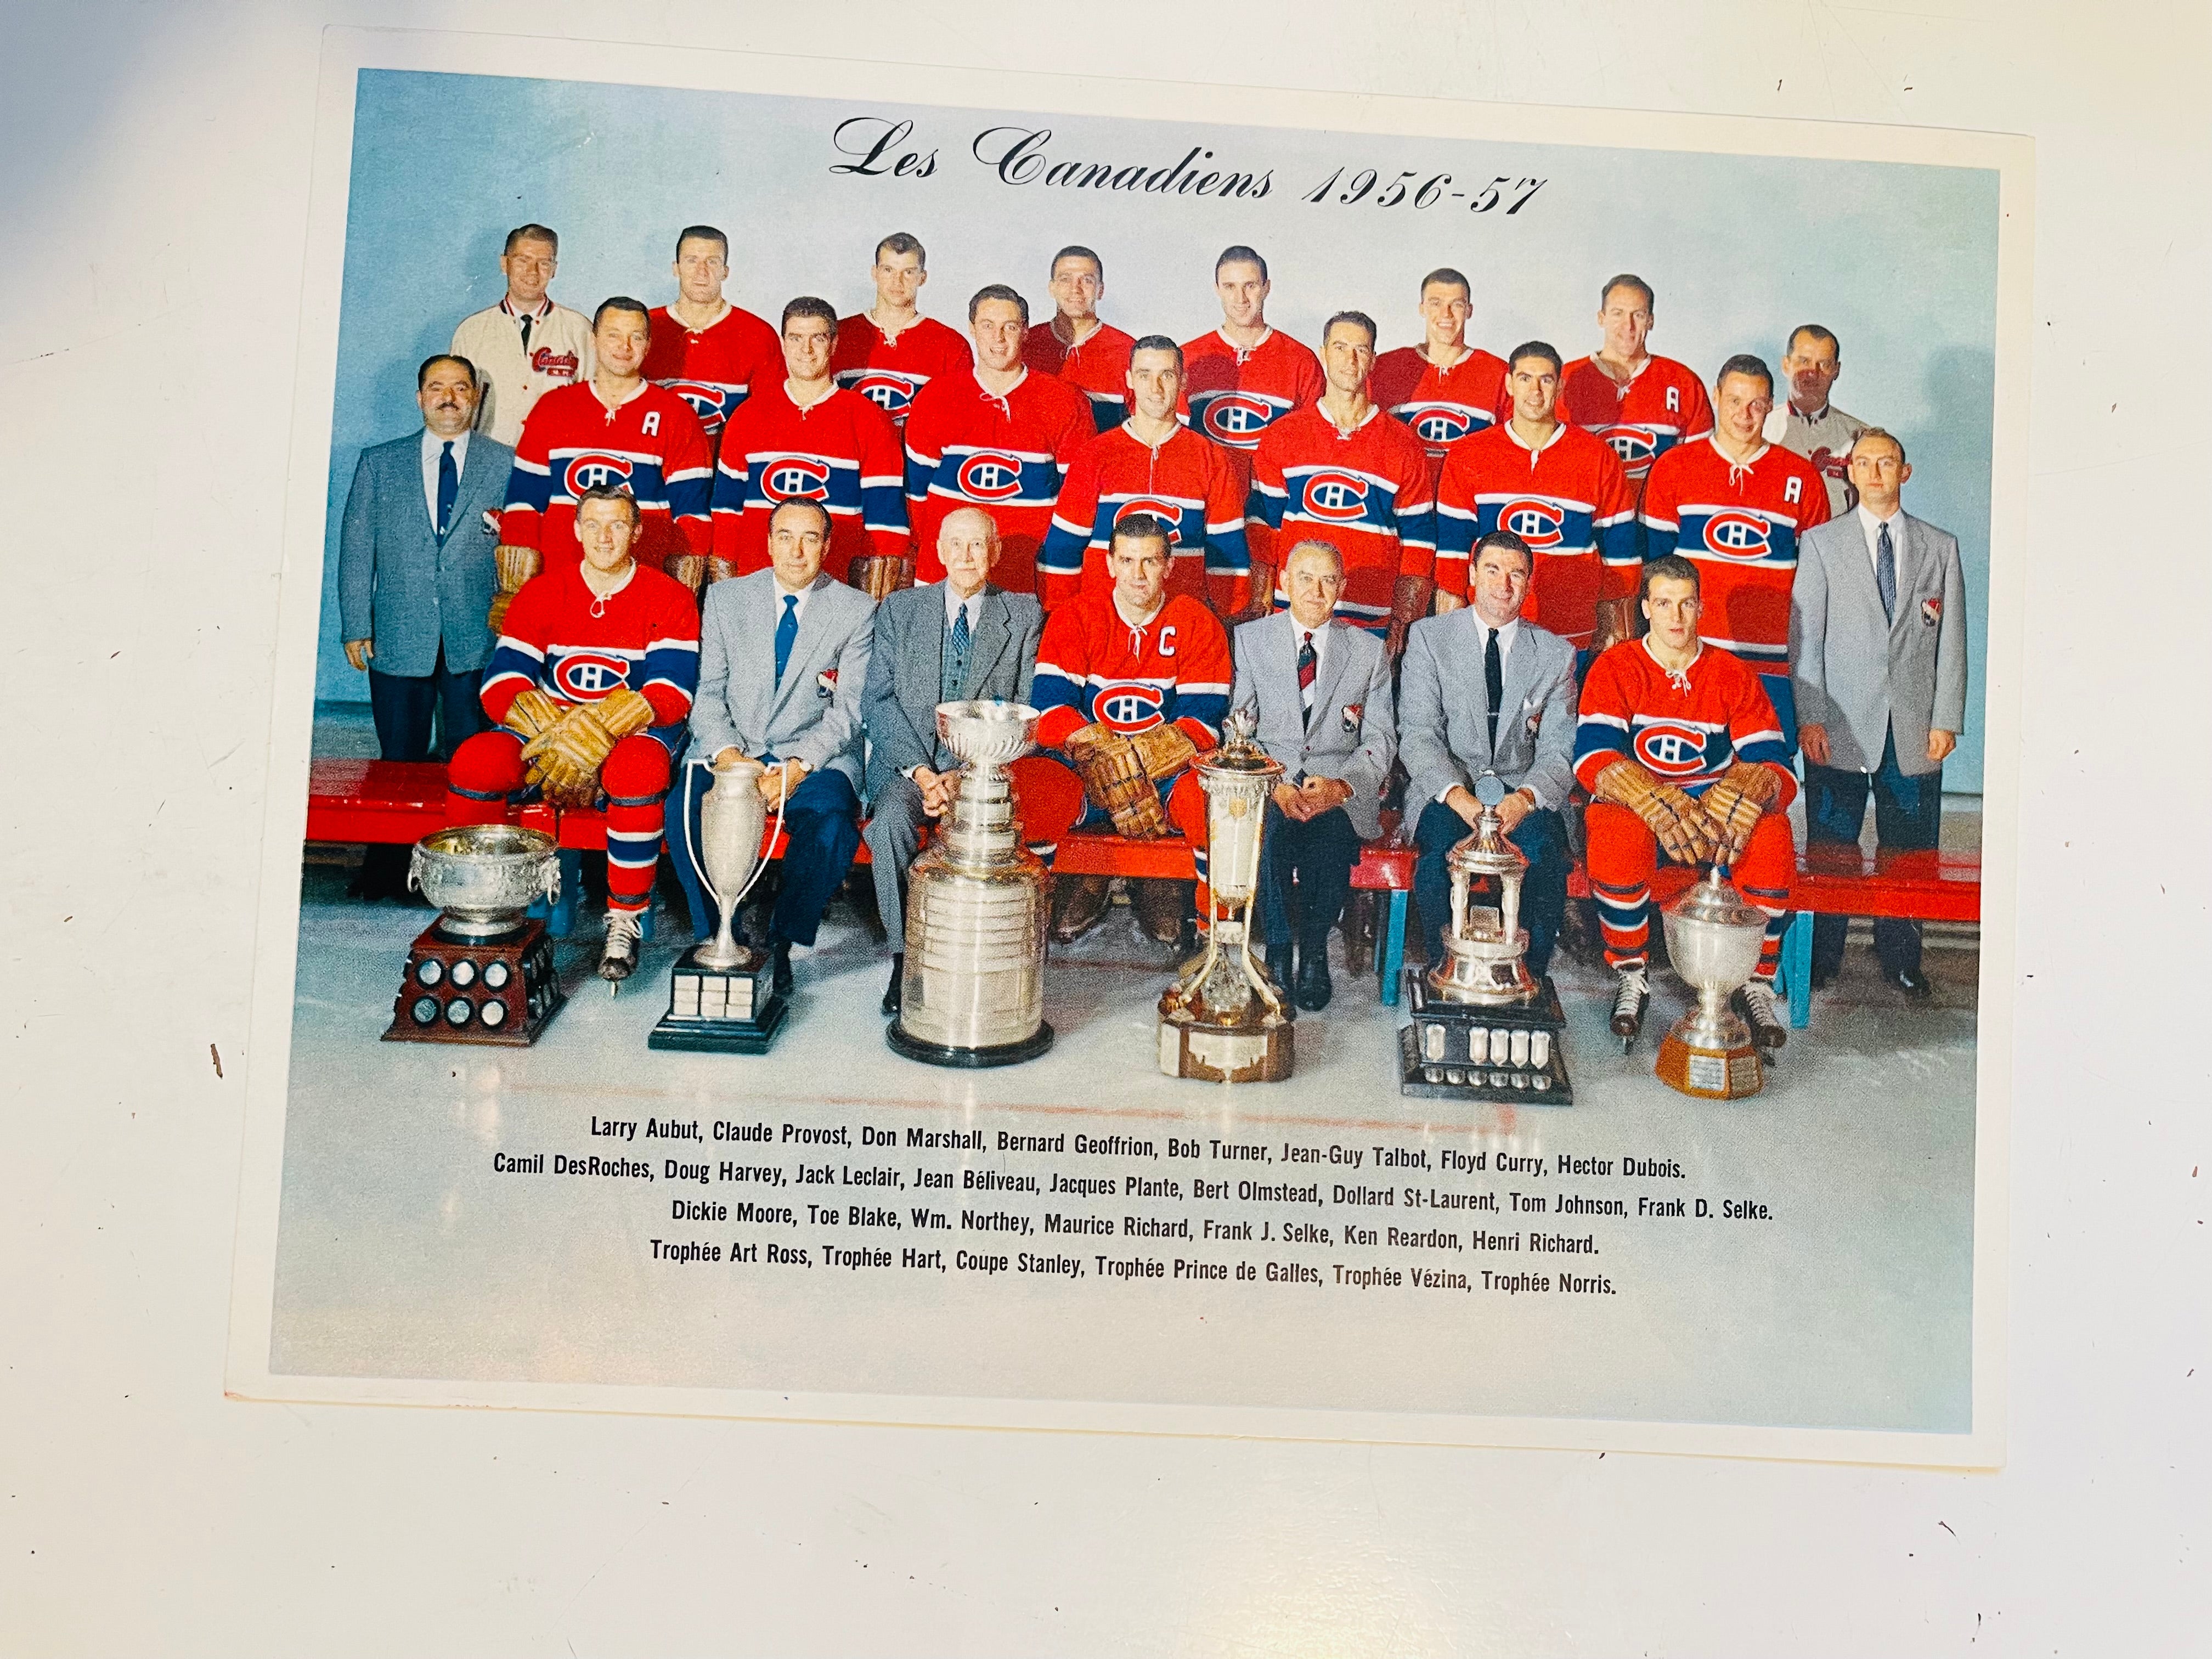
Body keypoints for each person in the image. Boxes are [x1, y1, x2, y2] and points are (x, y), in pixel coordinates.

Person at [445, 486, 699, 983]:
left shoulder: (669, 595)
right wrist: (562, 736)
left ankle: (625, 920)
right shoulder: (542, 591)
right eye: (594, 525)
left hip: (628, 736)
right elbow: (502, 681)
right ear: (577, 529)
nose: (605, 537)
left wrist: (597, 730)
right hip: (547, 732)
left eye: (619, 525)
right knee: (477, 761)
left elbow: (672, 692)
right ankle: (475, 907)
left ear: (637, 531)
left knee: (639, 768)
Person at [1573, 556, 1795, 1053]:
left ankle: (1756, 980)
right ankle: (1632, 971)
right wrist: (1647, 795)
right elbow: (1593, 757)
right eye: (1664, 603)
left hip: (1712, 813)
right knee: (1611, 827)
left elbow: (1775, 762)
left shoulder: (1731, 673)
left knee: (1772, 832)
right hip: (1647, 813)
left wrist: (1751, 786)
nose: (1676, 616)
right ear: (1646, 608)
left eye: (1687, 604)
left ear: (1701, 609)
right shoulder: (1616, 666)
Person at [859, 507, 1065, 1014]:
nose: (967, 556)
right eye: (957, 545)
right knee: (887, 825)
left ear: (995, 553)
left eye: (979, 546)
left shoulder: (1023, 614)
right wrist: (924, 774)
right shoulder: (900, 611)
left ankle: (976, 956)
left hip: (987, 773)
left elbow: (1025, 711)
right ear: (939, 551)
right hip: (912, 769)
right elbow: (877, 701)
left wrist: (965, 773)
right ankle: (906, 957)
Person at [1792, 428, 1968, 999]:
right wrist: (1810, 717)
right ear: (1847, 472)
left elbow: (1951, 642)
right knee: (1832, 846)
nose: (1874, 473)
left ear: (1904, 473)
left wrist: (1947, 718)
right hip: (1840, 723)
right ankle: (1823, 958)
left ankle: (1902, 959)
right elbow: (1806, 640)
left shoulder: (1940, 547)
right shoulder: (1821, 544)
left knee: (1910, 850)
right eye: (1863, 463)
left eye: (1885, 463)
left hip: (1913, 725)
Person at [679, 500, 876, 996]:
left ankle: (781, 940)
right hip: (734, 748)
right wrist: (728, 757)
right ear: (768, 543)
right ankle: (722, 932)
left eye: (810, 538)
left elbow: (849, 710)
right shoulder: (725, 599)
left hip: (814, 753)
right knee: (680, 813)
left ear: (827, 546)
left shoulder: (856, 609)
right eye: (785, 536)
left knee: (832, 826)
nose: (797, 549)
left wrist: (796, 767)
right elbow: (707, 693)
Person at [337, 354, 512, 897]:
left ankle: (461, 870)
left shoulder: (505, 464)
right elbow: (355, 549)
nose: (449, 397)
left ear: (476, 397)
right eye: (437, 387)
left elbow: (519, 547)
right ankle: (389, 866)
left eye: (460, 388)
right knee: (400, 757)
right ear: (419, 398)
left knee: (468, 759)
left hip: (475, 639)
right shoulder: (379, 463)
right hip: (398, 634)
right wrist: (354, 623)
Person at [1030, 515, 1231, 945]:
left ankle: (1208, 937)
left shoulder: (1196, 620)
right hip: (1087, 775)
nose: (1138, 574)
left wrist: (1135, 763)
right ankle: (1027, 929)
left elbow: (1205, 725)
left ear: (1169, 566)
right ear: (1110, 563)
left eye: (1150, 562)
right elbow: (1048, 712)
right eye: (1128, 560)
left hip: (1165, 781)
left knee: (1213, 803)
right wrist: (1104, 753)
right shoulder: (1076, 616)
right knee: (1033, 790)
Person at [1398, 531, 1577, 981]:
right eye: (1493, 570)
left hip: (1521, 791)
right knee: (1440, 854)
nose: (1504, 584)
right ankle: (1448, 972)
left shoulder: (1557, 655)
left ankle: (1526, 976)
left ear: (1529, 583)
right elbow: (1418, 734)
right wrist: (1460, 799)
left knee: (1546, 854)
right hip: (1451, 791)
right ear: (1472, 575)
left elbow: (1560, 748)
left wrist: (1526, 799)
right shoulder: (1429, 638)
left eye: (1517, 574)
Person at [1228, 539, 1397, 1009]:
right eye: (1305, 577)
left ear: (1342, 588)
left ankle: (1316, 951)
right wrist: (1273, 782)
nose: (1315, 591)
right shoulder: (1251, 641)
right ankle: (1279, 950)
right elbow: (1237, 730)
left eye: (1327, 580)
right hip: (1272, 782)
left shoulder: (1368, 652)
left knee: (1331, 842)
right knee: (1269, 839)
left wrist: (1342, 786)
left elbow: (1381, 738)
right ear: (1283, 581)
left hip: (1337, 786)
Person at [1640, 353, 1831, 743]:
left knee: (1767, 780)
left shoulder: (1802, 478)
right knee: (1692, 772)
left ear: (1771, 406)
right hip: (1692, 657)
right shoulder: (1674, 468)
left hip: (1773, 662)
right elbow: (1656, 573)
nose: (1745, 415)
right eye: (1735, 402)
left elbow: (1816, 585)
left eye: (1757, 404)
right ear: (1716, 397)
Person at [492, 297, 716, 618]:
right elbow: (524, 503)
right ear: (593, 338)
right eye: (613, 334)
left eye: (636, 336)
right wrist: (518, 588)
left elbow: (693, 514)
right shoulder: (553, 408)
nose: (625, 346)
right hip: (559, 585)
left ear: (648, 343)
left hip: (641, 589)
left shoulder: (676, 415)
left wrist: (675, 594)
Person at [1248, 309, 1440, 654]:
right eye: (1340, 348)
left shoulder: (1403, 443)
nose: (1350, 360)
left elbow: (1419, 541)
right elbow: (1265, 529)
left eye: (1361, 350)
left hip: (1371, 618)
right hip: (1295, 613)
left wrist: (1404, 618)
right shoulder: (1284, 435)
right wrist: (1261, 598)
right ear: (1323, 353)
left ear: (1373, 359)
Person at [1434, 341, 1637, 661]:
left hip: (1572, 631)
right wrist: (1451, 627)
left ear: (1560, 385)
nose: (1536, 390)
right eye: (1526, 378)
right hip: (1489, 628)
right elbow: (1453, 551)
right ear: (1509, 384)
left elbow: (1621, 552)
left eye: (1546, 379)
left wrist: (1611, 625)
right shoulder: (1469, 454)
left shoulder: (1598, 457)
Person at [1036, 335, 1250, 613]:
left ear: (1183, 381)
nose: (1156, 388)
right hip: (1104, 618)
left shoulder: (1211, 459)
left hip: (1180, 617)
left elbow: (1228, 552)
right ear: (1129, 380)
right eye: (1144, 375)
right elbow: (1064, 545)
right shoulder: (1095, 455)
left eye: (1167, 375)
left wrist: (1224, 617)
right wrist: (1063, 615)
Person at [711, 296, 910, 595]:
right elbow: (726, 514)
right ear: (783, 343)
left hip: (835, 591)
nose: (806, 350)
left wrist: (864, 598)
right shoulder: (748, 416)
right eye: (796, 338)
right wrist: (733, 591)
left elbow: (887, 525)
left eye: (817, 338)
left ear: (833, 345)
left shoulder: (868, 419)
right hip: (758, 587)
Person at [901, 284, 1091, 595]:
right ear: (972, 329)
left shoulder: (1063, 400)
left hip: (1026, 573)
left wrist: (1052, 566)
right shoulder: (937, 396)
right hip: (946, 575)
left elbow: (1076, 501)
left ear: (1026, 331)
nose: (999, 338)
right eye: (988, 326)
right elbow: (917, 498)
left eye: (1010, 327)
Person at [1181, 245, 1325, 577]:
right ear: (1217, 289)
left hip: (1272, 519)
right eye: (1230, 286)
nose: (1241, 297)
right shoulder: (1190, 357)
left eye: (1250, 285)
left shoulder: (1300, 362)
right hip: (1205, 514)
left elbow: (1312, 452)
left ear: (1267, 287)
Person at [1557, 274, 1715, 490]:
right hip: (1588, 515)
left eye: (1638, 315)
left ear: (1650, 320)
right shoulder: (1566, 379)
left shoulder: (1684, 383)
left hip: (1655, 519)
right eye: (1617, 314)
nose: (1628, 326)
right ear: (1601, 318)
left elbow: (1700, 470)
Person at [450, 223, 593, 447]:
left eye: (544, 263)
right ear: (504, 264)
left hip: (555, 462)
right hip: (490, 459)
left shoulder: (579, 328)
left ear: (554, 269)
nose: (533, 272)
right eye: (523, 260)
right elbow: (458, 408)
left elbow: (594, 406)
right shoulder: (472, 331)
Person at [640, 224, 782, 442]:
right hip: (654, 467)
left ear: (725, 272)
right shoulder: (645, 327)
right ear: (676, 268)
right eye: (691, 260)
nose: (702, 272)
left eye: (712, 261)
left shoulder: (758, 335)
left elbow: (771, 419)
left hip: (724, 471)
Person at [1368, 267, 1510, 486]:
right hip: (1404, 503)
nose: (1446, 314)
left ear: (1470, 310)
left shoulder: (1498, 373)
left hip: (1465, 507)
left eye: (1457, 304)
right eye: (1436, 303)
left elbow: (1509, 450)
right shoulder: (1386, 368)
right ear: (1422, 308)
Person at [828, 232, 974, 430]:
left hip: (912, 460)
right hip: (850, 458)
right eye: (888, 270)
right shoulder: (839, 335)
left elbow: (960, 425)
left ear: (922, 278)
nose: (897, 282)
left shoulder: (950, 346)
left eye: (908, 272)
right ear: (875, 273)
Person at [1020, 244, 1136, 433]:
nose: (1076, 289)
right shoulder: (1026, 345)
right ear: (1052, 288)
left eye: (1087, 280)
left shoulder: (1127, 350)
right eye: (1066, 279)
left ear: (1101, 290)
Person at [1763, 324, 1868, 518]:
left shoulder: (1860, 436)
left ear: (1836, 370)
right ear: (1786, 365)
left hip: (1835, 541)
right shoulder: (1760, 429)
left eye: (1824, 364)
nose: (1813, 372)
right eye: (1804, 361)